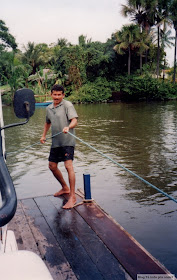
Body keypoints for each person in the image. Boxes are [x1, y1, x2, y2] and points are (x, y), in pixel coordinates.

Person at [40, 84, 78, 209]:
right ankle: (64, 187)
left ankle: (72, 196)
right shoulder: (49, 108)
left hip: (68, 141)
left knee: (68, 165)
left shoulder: (67, 105)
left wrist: (69, 127)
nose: (56, 97)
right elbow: (47, 123)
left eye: (59, 95)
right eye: (54, 94)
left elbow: (74, 120)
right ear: (51, 94)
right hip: (56, 142)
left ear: (63, 95)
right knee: (52, 166)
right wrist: (43, 135)